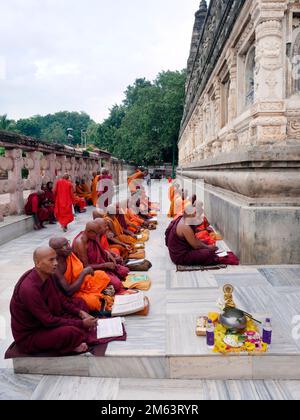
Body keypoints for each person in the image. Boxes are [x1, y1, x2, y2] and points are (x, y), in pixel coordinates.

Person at [10, 247, 98, 355]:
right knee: (70, 332)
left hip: (48, 319)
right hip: (32, 335)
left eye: (56, 259)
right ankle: (72, 343)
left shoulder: (47, 275)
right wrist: (81, 323)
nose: (56, 263)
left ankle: (75, 337)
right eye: (51, 260)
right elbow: (48, 321)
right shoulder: (29, 289)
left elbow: (61, 299)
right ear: (38, 263)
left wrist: (80, 312)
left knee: (80, 303)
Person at [49, 237, 111, 312]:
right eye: (64, 246)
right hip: (73, 291)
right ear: (55, 251)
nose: (69, 247)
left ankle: (95, 293)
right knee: (93, 302)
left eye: (68, 243)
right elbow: (68, 291)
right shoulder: (55, 266)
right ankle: (97, 294)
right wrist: (84, 273)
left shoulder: (69, 254)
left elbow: (82, 267)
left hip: (82, 283)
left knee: (101, 275)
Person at [72, 221, 126, 293]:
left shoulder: (92, 237)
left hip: (100, 264)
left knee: (123, 270)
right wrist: (105, 265)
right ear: (90, 232)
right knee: (117, 284)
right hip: (91, 271)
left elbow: (101, 250)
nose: (98, 237)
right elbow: (86, 266)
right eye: (97, 234)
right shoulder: (80, 243)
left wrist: (108, 254)